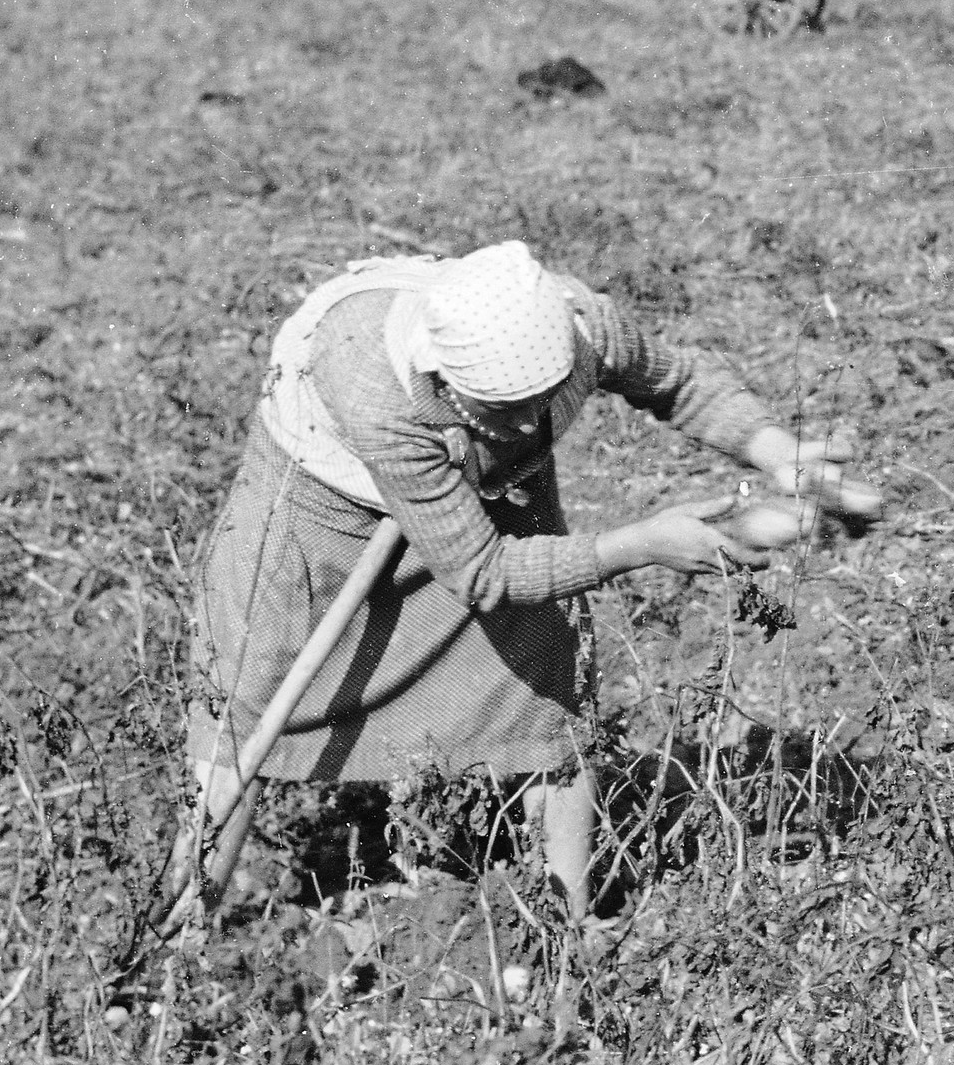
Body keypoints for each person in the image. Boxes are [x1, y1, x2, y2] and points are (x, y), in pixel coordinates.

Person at [185, 240, 880, 916]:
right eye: (498, 409)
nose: (523, 423)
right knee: (249, 704)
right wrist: (638, 545)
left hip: (491, 497)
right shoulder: (374, 387)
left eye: (539, 401)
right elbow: (482, 572)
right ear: (438, 376)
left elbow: (678, 381)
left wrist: (782, 453)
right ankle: (188, 927)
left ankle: (563, 924)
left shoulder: (579, 324)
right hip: (320, 513)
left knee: (549, 689)